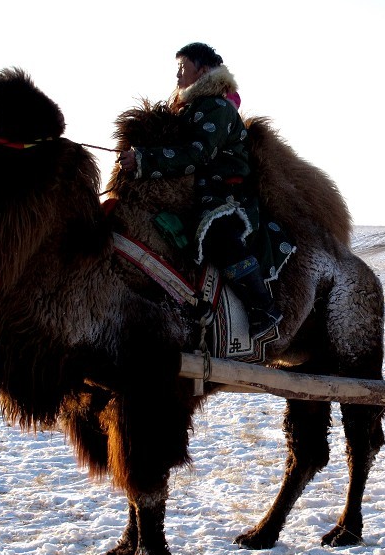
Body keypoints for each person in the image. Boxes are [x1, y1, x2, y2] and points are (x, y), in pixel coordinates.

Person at [118, 42, 283, 337]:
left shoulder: (217, 108)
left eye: (183, 68)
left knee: (217, 234)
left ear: (203, 70)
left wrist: (144, 159)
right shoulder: (194, 109)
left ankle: (263, 306)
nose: (178, 76)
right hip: (201, 192)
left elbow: (198, 153)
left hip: (226, 196)